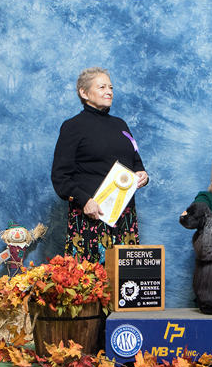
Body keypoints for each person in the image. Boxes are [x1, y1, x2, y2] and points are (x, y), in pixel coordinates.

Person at [51, 67, 149, 264]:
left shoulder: (121, 125)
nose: (109, 92)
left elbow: (136, 161)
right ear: (84, 93)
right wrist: (84, 201)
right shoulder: (72, 126)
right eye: (102, 87)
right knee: (89, 278)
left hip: (124, 216)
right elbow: (60, 177)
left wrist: (142, 174)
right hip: (90, 215)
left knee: (126, 278)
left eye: (111, 87)